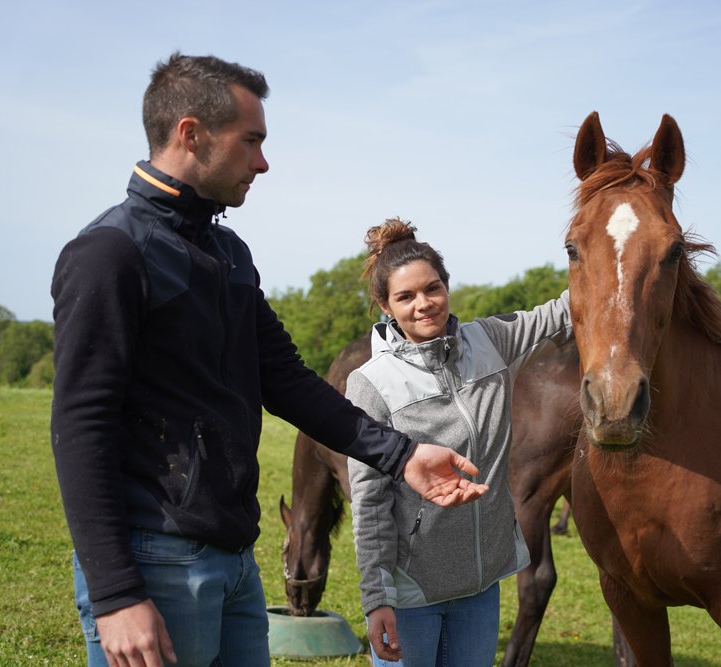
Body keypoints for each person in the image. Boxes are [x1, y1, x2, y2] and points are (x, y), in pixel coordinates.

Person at [50, 53, 488, 667]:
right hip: (156, 562)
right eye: (251, 141)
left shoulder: (228, 252)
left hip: (235, 564)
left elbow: (286, 381)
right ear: (191, 134)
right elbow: (81, 427)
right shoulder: (111, 253)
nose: (263, 162)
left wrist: (403, 455)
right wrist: (116, 593)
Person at [347, 219, 572, 666]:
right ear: (385, 305)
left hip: (480, 588)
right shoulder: (372, 383)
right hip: (412, 593)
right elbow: (369, 502)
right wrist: (377, 599)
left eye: (433, 288)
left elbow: (565, 311)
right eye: (406, 297)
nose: (424, 304)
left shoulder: (490, 341)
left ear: (447, 286)